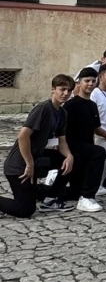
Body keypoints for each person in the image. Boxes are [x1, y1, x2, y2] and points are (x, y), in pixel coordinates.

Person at [1, 74, 75, 218]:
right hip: (19, 166)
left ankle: (50, 198)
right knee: (25, 210)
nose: (66, 93)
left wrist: (69, 156)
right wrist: (29, 164)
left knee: (70, 162)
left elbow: (62, 141)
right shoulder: (43, 108)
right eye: (62, 89)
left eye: (69, 90)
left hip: (36, 160)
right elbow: (23, 136)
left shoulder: (62, 113)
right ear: (53, 89)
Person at [63, 69, 106, 212]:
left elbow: (95, 128)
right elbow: (62, 131)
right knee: (99, 152)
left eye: (93, 81)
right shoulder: (71, 105)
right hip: (72, 146)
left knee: (74, 192)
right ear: (79, 82)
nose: (90, 84)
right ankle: (88, 197)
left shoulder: (93, 105)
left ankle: (41, 192)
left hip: (86, 147)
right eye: (87, 81)